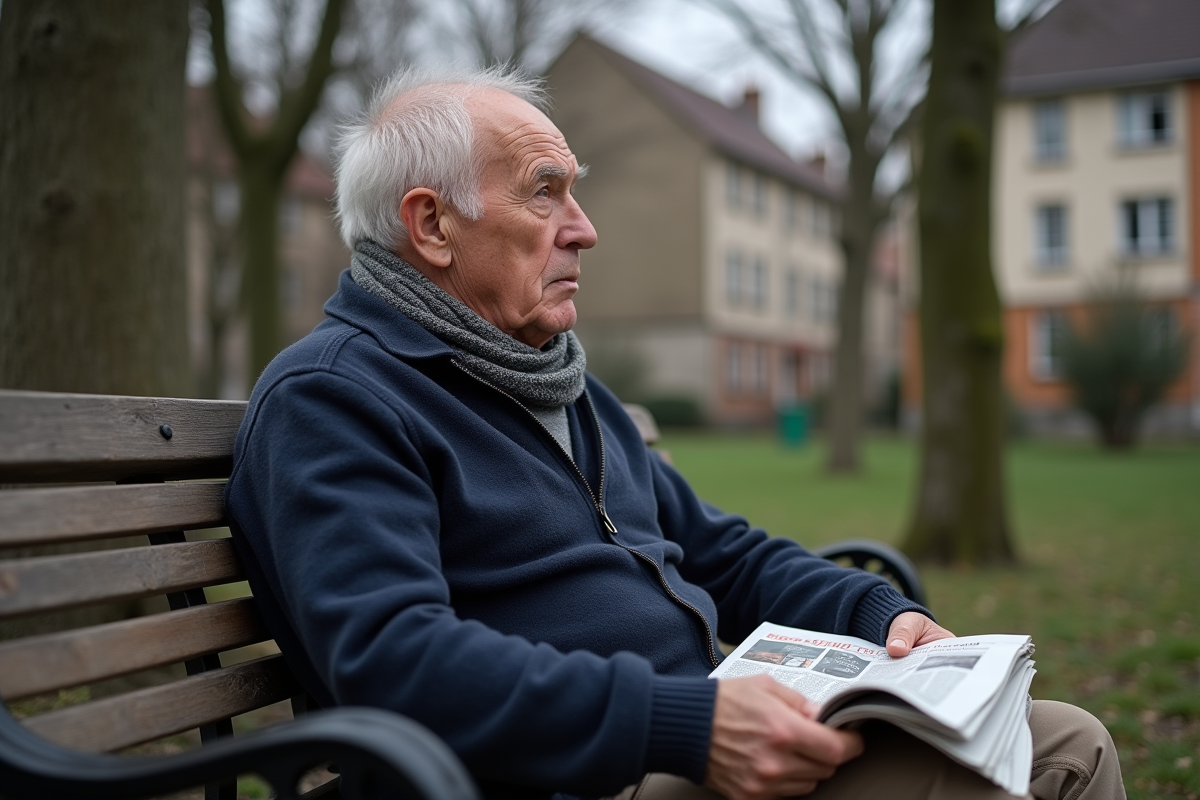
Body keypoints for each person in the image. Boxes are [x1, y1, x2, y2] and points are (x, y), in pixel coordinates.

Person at [225, 66, 1125, 800]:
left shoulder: (558, 381)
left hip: (685, 737)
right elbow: (394, 660)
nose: (586, 229)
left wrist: (874, 614)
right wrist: (683, 725)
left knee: (1060, 743)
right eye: (547, 196)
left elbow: (719, 553)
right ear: (431, 225)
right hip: (560, 775)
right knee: (1057, 763)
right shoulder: (336, 399)